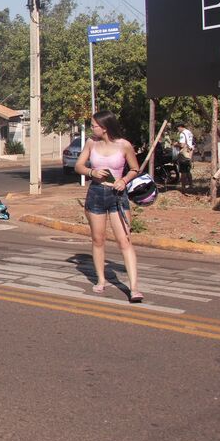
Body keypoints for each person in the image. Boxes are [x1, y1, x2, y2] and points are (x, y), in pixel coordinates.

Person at [75, 110, 144, 303]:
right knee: (98, 239)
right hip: (96, 193)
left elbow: (134, 168)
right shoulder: (91, 144)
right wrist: (91, 172)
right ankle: (101, 279)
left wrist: (123, 180)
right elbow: (78, 166)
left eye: (94, 125)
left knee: (125, 240)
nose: (92, 128)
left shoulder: (124, 145)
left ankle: (134, 288)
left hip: (117, 195)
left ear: (104, 128)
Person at [174, 122, 194, 192]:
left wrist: (176, 144)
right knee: (188, 170)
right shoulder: (189, 132)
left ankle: (183, 187)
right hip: (189, 152)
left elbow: (182, 145)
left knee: (183, 171)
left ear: (180, 127)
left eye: (177, 128)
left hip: (183, 153)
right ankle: (191, 185)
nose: (178, 130)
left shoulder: (182, 134)